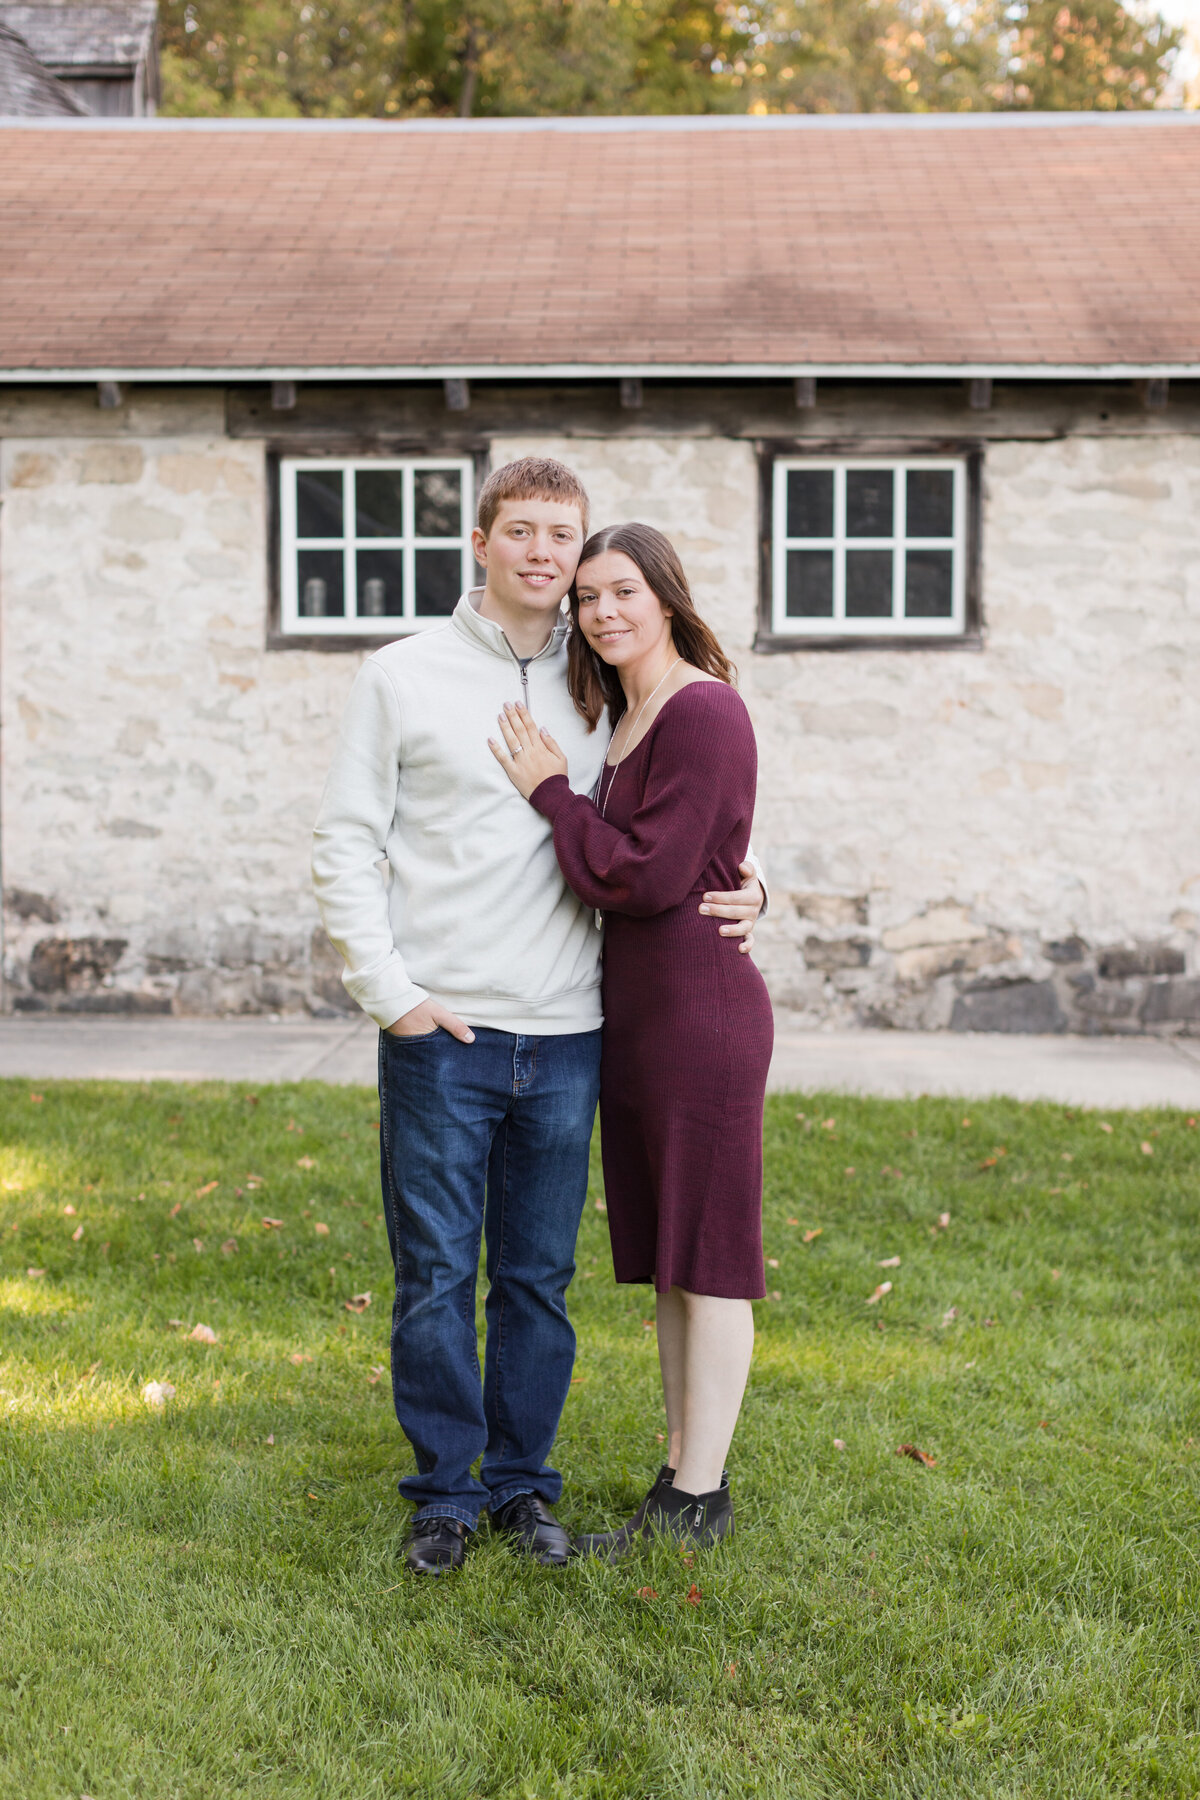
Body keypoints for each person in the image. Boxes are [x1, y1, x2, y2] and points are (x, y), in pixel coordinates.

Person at [312, 459, 765, 1577]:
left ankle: (523, 1490)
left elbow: (685, 817)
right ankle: (445, 1498)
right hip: (446, 1030)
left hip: (571, 1034)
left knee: (535, 1283)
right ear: (480, 542)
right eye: (521, 531)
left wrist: (758, 886)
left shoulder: (595, 680)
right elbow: (345, 844)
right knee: (433, 1279)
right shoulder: (403, 675)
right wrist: (393, 996)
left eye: (564, 536)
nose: (547, 556)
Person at [489, 521, 773, 1552]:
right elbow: (698, 852)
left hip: (701, 1017)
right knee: (668, 1258)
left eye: (623, 592)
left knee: (710, 1257)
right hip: (643, 1018)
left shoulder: (701, 708)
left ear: (665, 595)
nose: (603, 613)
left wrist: (552, 793)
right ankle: (678, 1474)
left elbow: (647, 877)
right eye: (587, 599)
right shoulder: (630, 709)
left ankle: (699, 1500)